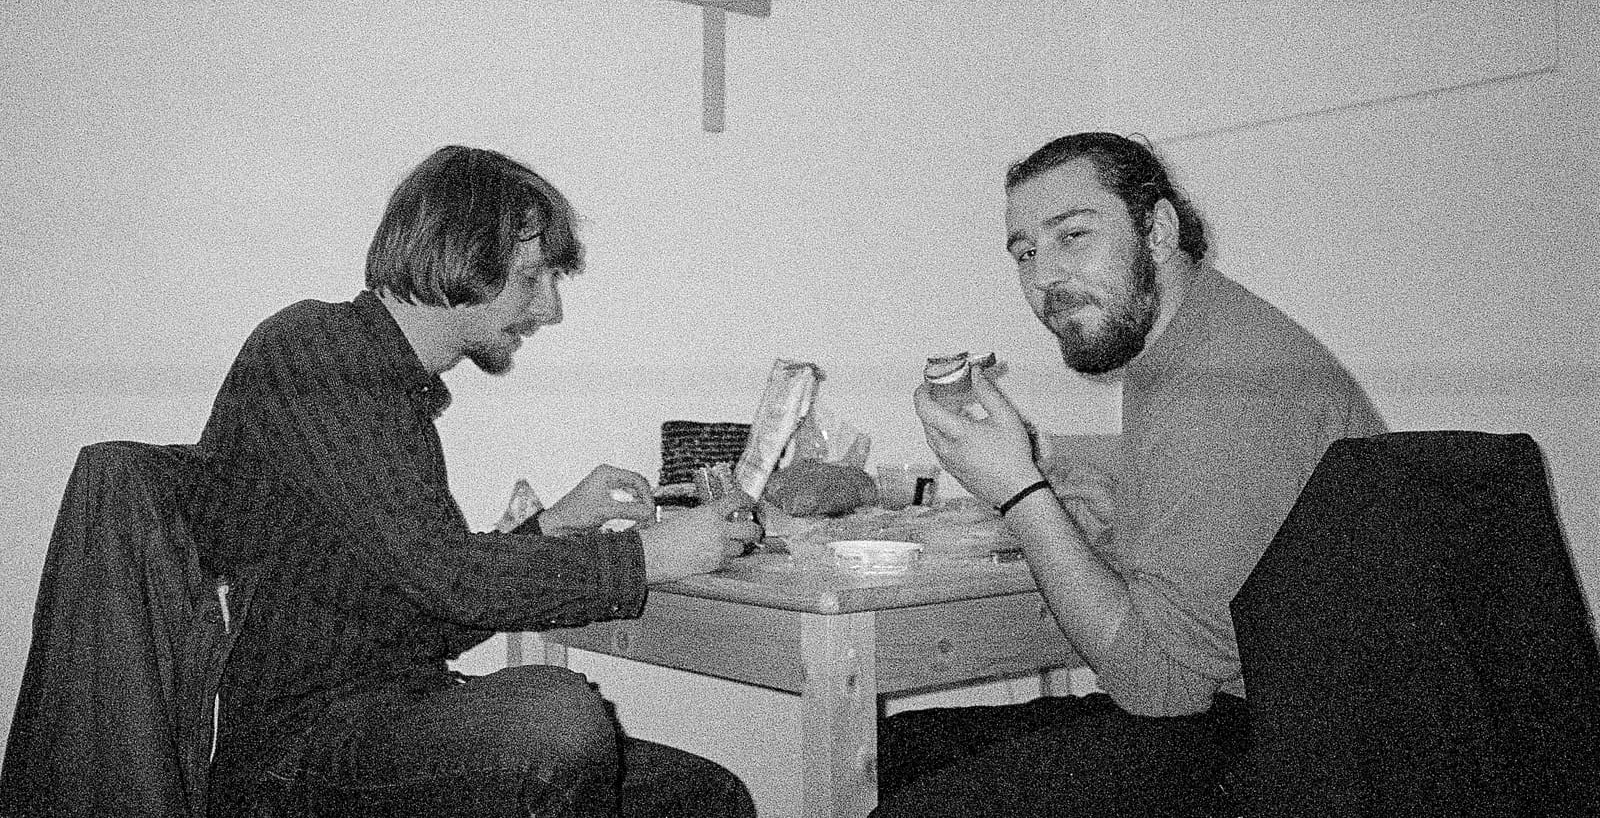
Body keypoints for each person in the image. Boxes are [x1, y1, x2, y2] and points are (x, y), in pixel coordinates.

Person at [186, 145, 762, 818]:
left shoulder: (384, 386)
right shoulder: (316, 352)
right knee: (555, 718)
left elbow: (429, 609)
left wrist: (552, 526)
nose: (549, 309)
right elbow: (449, 578)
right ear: (462, 257)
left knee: (704, 798)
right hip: (297, 754)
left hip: (384, 716)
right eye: (532, 278)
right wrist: (648, 555)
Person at [874, 132, 1386, 818]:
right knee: (894, 751)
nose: (1044, 277)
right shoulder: (1192, 342)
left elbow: (1162, 687)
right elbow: (1177, 473)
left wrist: (1021, 492)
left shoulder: (1223, 381)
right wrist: (1042, 457)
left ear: (1159, 231)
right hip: (1247, 706)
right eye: (1025, 253)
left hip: (1294, 749)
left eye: (1073, 235)